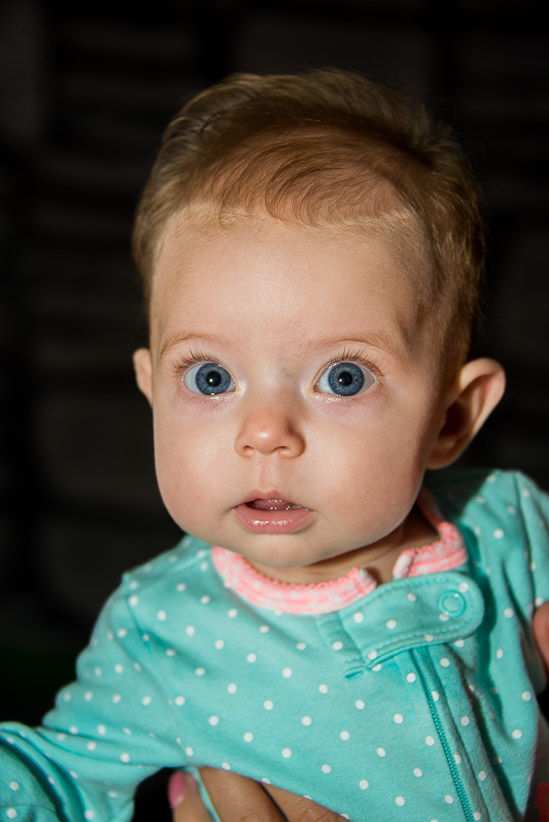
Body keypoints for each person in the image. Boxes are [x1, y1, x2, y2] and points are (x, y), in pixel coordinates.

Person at [1, 68, 549, 822]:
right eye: (212, 377)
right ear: (153, 392)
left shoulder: (509, 526)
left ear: (450, 418)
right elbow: (53, 779)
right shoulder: (162, 628)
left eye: (344, 378)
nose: (263, 432)